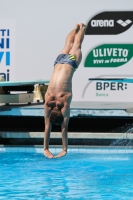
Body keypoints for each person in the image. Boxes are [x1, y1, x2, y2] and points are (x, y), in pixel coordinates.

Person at [44, 23, 87, 158]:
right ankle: (75, 28)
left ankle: (82, 28)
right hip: (58, 62)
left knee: (77, 45)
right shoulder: (48, 100)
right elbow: (46, 127)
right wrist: (45, 148)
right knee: (68, 43)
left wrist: (65, 149)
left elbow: (64, 128)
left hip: (70, 64)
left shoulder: (64, 102)